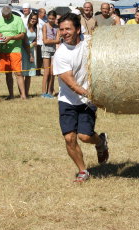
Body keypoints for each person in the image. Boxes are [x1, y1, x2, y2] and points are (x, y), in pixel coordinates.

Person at [52, 12, 109, 183]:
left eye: (68, 29)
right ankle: (83, 170)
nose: (64, 33)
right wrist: (89, 93)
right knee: (69, 138)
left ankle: (100, 142)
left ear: (78, 29)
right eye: (61, 30)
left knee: (85, 136)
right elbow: (71, 83)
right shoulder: (61, 54)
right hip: (68, 100)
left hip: (87, 101)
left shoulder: (89, 42)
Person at [0, 5, 28, 99]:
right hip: (3, 49)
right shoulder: (0, 20)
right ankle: (11, 95)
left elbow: (22, 35)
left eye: (7, 16)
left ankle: (23, 95)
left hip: (15, 50)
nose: (5, 18)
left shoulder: (18, 19)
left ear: (11, 13)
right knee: (8, 73)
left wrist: (11, 38)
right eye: (4, 16)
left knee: (18, 73)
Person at [40, 10, 60, 98]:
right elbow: (44, 40)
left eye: (53, 18)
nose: (51, 20)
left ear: (55, 18)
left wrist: (50, 41)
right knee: (46, 72)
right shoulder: (45, 26)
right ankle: (43, 92)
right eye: (49, 18)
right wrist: (53, 41)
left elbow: (58, 40)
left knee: (52, 72)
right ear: (47, 18)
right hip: (46, 50)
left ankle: (50, 91)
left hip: (54, 50)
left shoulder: (57, 28)